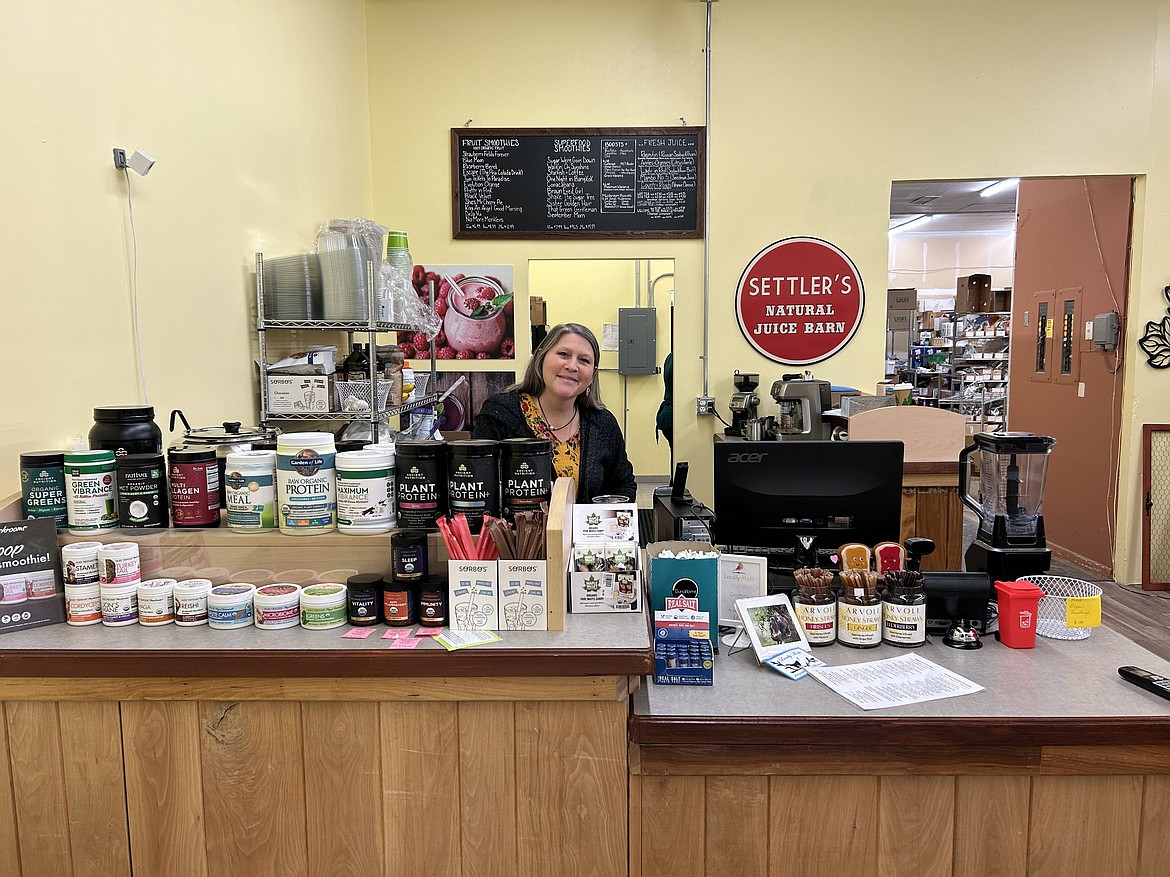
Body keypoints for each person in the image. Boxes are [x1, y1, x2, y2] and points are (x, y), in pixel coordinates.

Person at [473, 322, 637, 502]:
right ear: (541, 357)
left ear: (593, 374)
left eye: (584, 360)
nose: (572, 366)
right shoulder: (498, 415)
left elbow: (624, 485)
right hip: (515, 531)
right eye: (563, 354)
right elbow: (478, 486)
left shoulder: (604, 424)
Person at [655, 352, 673, 449]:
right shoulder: (680, 360)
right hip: (671, 416)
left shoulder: (670, 356)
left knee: (675, 453)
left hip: (667, 414)